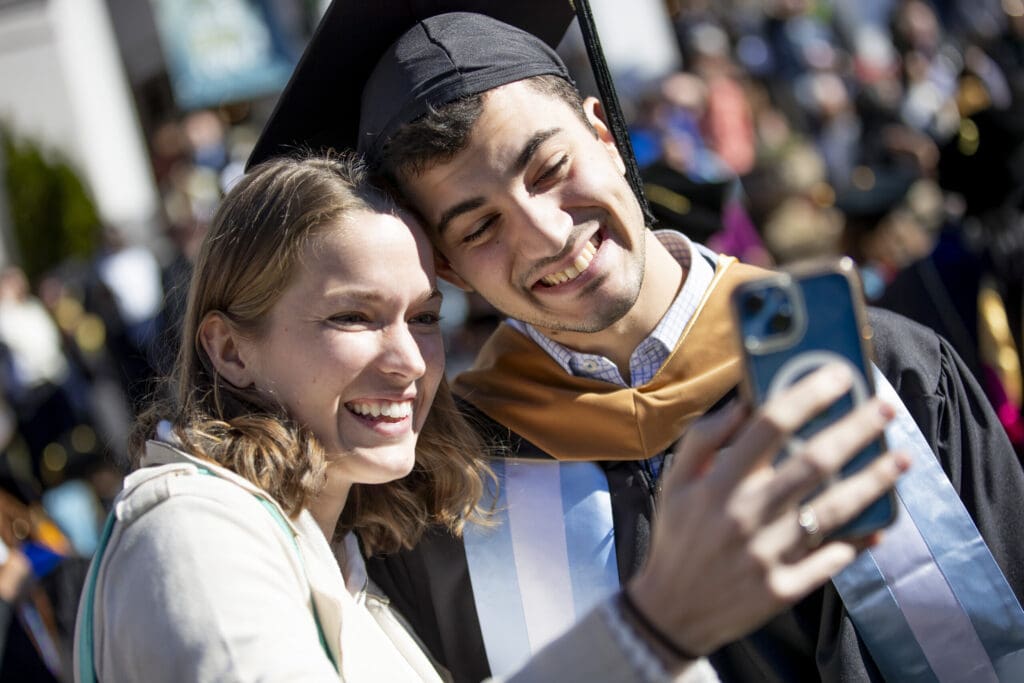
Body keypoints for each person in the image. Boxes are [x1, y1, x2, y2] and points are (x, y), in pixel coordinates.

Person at [248, 2, 1024, 681]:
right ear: (445, 266)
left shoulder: (882, 366)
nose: (547, 234)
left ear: (603, 131)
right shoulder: (451, 496)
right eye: (480, 225)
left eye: (550, 167)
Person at [72, 153, 903, 682]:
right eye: (354, 317)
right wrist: (654, 626)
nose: (408, 361)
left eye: (425, 317)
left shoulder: (339, 558)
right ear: (230, 349)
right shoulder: (193, 531)